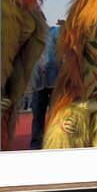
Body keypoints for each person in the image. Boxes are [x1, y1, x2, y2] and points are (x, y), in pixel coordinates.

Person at [29, 20, 63, 149]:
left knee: (56, 114)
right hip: (38, 82)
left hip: (54, 81)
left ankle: (54, 142)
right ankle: (36, 145)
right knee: (38, 115)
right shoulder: (31, 37)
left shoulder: (55, 31)